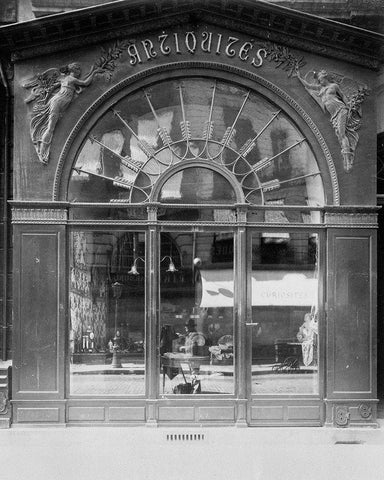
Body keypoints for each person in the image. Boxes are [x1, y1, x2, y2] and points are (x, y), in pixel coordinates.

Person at [26, 63, 102, 164]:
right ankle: (42, 152)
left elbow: (53, 87)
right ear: (74, 71)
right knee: (50, 128)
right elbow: (85, 83)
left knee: (50, 127)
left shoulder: (64, 78)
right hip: (58, 102)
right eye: (78, 69)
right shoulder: (71, 79)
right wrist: (94, 72)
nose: (80, 71)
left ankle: (42, 151)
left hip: (58, 102)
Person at [294, 68, 358, 172]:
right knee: (339, 135)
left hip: (341, 109)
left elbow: (343, 96)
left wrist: (349, 108)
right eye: (319, 80)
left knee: (341, 134)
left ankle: (348, 161)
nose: (320, 82)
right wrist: (299, 77)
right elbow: (308, 86)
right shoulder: (320, 88)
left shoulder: (334, 86)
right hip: (333, 115)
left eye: (321, 79)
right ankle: (347, 157)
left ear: (325, 78)